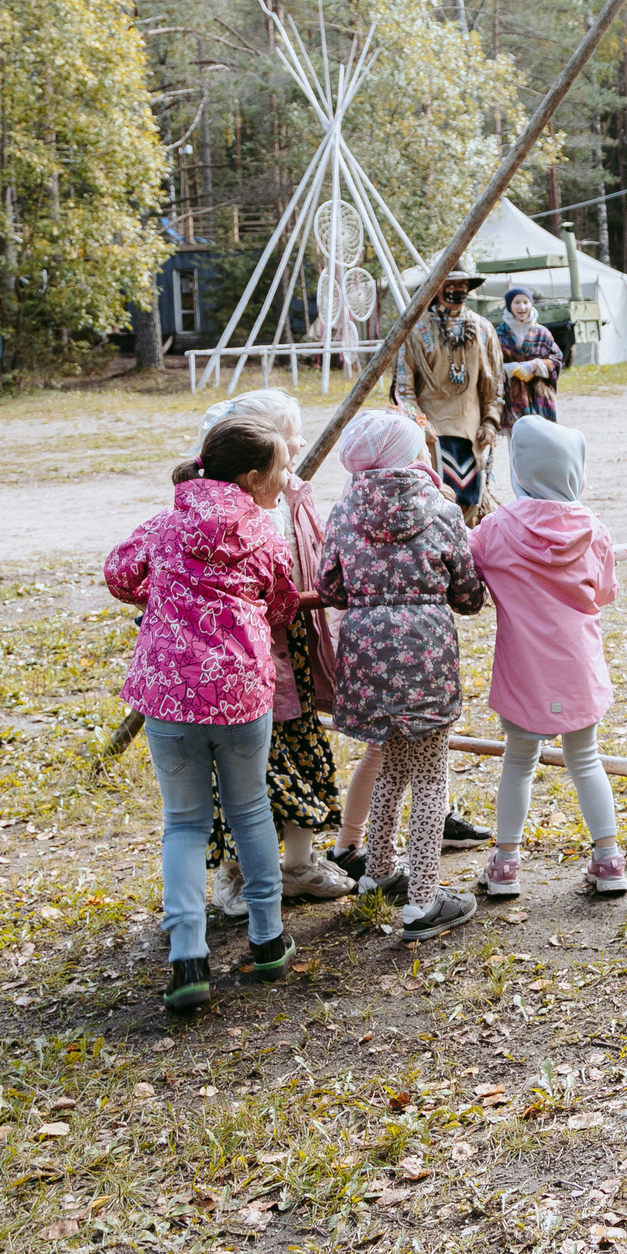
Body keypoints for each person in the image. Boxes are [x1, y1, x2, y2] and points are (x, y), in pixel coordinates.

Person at [104, 416, 301, 1013]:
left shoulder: (166, 525)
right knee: (249, 810)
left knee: (184, 823)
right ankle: (267, 940)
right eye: (278, 471)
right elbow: (284, 604)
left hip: (168, 694)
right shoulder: (263, 533)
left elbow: (118, 573)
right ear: (249, 477)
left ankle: (187, 955)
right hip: (240, 693)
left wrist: (161, 594)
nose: (284, 479)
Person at [318, 411, 485, 942]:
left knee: (391, 764)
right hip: (424, 653)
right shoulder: (440, 508)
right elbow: (468, 594)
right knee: (432, 775)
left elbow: (330, 588)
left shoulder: (344, 509)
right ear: (409, 453)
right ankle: (423, 900)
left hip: (366, 654)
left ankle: (379, 870)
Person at [188, 392, 354, 917]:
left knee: (299, 755)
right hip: (236, 670)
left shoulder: (290, 493)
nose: (301, 445)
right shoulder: (213, 514)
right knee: (241, 775)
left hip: (288, 658)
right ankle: (235, 876)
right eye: (290, 437)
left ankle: (299, 866)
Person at [466, 416, 627, 901]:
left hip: (525, 672)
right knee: (586, 759)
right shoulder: (593, 529)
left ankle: (507, 864)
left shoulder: (496, 529)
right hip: (578, 669)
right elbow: (604, 592)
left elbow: (468, 570)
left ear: (519, 469)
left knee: (518, 763)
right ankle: (609, 857)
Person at [395, 262, 503, 525]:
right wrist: (421, 423)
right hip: (432, 434)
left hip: (472, 431)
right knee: (436, 501)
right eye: (451, 285)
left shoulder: (484, 330)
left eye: (463, 286)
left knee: (471, 501)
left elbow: (495, 385)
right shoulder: (416, 331)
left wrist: (491, 421)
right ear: (437, 289)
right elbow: (403, 391)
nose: (458, 291)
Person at [496, 285, 565, 431]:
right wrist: (508, 369)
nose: (522, 307)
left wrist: (535, 365)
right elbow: (489, 363)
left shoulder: (542, 332)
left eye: (525, 302)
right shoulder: (498, 333)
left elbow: (556, 359)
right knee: (517, 442)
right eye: (517, 302)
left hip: (540, 397)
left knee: (543, 439)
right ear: (509, 305)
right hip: (511, 398)